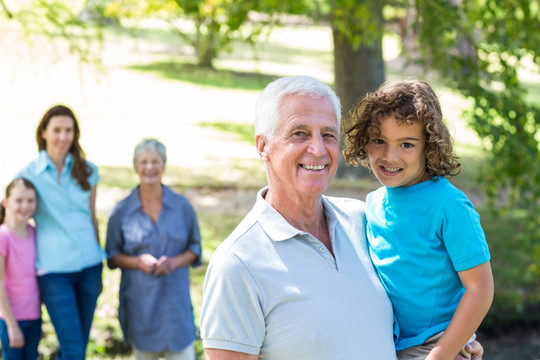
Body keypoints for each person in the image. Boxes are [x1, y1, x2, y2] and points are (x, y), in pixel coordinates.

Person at [200, 75, 484, 360]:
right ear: (263, 146)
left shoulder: (362, 220)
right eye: (299, 133)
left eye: (328, 134)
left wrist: (455, 346)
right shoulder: (237, 264)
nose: (318, 149)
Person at [343, 79, 494, 360]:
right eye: (379, 141)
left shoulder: (450, 206)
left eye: (407, 144)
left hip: (434, 344)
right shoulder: (374, 202)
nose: (390, 156)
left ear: (430, 145)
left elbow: (480, 288)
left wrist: (441, 355)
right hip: (386, 343)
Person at [16, 104, 105, 360]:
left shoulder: (88, 171)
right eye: (57, 130)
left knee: (78, 345)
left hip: (89, 267)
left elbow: (91, 217)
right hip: (54, 272)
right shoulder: (28, 176)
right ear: (43, 132)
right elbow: (10, 215)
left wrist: (98, 258)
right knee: (73, 347)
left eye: (69, 130)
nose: (63, 137)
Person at [105, 138, 202, 360]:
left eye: (155, 162)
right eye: (144, 161)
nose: (150, 167)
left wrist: (174, 262)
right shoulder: (121, 211)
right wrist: (137, 262)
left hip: (175, 308)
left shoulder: (182, 206)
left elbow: (195, 248)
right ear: (135, 166)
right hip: (141, 307)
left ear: (164, 165)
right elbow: (112, 255)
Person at [0, 178, 41, 360]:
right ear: (6, 202)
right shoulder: (3, 236)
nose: (25, 206)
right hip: (10, 319)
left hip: (34, 316)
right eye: (19, 200)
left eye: (30, 201)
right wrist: (12, 325)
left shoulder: (34, 232)